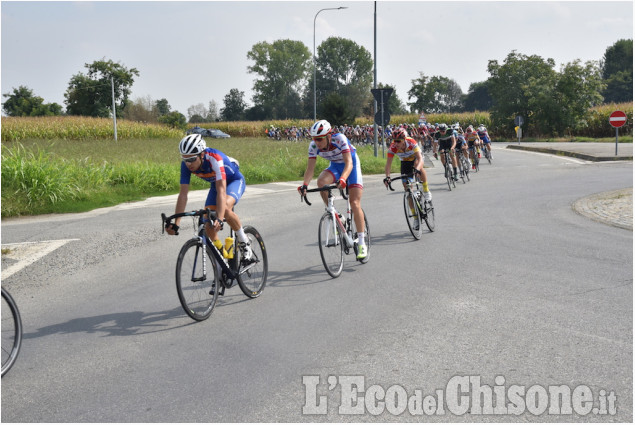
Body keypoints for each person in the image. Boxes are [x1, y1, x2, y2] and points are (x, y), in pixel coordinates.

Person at [165, 133, 252, 260]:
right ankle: (223, 256)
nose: (188, 164)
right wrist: (176, 223)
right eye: (185, 159)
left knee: (225, 210)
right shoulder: (186, 165)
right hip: (216, 184)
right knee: (208, 222)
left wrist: (220, 219)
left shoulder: (214, 158)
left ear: (202, 154)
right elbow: (183, 194)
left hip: (233, 181)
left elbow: (221, 191)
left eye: (191, 159)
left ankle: (244, 242)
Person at [298, 119, 368, 260]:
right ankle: (335, 213)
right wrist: (305, 185)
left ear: (329, 136)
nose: (317, 142)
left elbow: (349, 163)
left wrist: (343, 179)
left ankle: (361, 242)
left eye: (320, 139)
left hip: (351, 166)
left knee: (354, 203)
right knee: (321, 182)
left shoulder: (340, 139)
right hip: (335, 166)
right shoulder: (313, 146)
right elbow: (310, 168)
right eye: (314, 139)